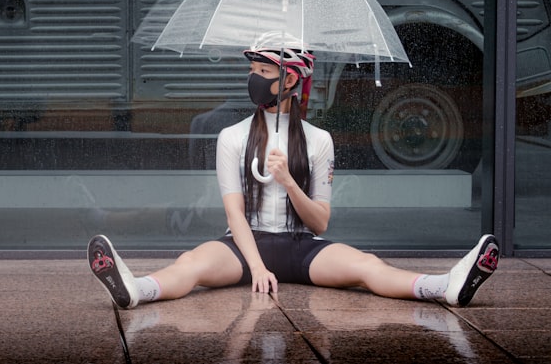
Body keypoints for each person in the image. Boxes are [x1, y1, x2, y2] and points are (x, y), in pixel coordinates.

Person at [87, 33, 500, 309]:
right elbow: (234, 214)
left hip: (302, 247)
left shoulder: (319, 140)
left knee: (368, 266)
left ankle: (444, 285)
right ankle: (135, 289)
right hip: (242, 248)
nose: (254, 79)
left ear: (290, 80)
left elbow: (320, 221)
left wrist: (288, 182)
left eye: (264, 72)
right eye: (253, 71)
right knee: (190, 263)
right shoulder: (231, 136)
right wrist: (258, 266)